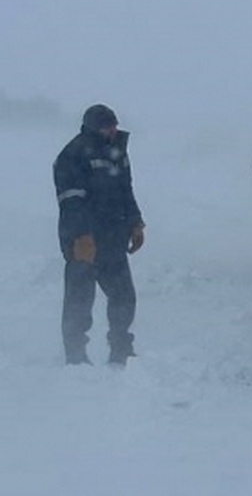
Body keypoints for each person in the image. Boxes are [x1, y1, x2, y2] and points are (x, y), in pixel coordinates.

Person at [53, 104, 145, 367]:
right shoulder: (73, 154)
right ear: (92, 128)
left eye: (114, 124)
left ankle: (121, 350)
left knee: (123, 296)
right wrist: (82, 236)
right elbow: (70, 201)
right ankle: (75, 354)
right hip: (83, 241)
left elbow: (126, 190)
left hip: (113, 236)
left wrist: (136, 222)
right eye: (107, 126)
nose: (113, 130)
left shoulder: (117, 152)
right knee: (80, 299)